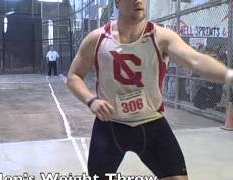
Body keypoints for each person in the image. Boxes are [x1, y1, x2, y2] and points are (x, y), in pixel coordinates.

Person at [66, 0, 233, 180]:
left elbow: (195, 60)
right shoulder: (97, 39)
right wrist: (92, 100)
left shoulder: (161, 37)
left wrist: (229, 75)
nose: (139, 1)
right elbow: (73, 76)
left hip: (151, 122)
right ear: (118, 2)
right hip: (110, 125)